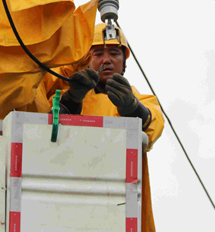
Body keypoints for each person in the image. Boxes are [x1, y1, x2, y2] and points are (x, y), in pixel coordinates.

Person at [43, 22, 164, 232]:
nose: (106, 60)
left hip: (120, 205)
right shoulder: (61, 93)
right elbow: (46, 131)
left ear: (124, 62)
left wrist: (132, 107)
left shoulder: (141, 98)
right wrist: (73, 98)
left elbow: (152, 125)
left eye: (114, 53)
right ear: (87, 60)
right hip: (68, 199)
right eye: (98, 53)